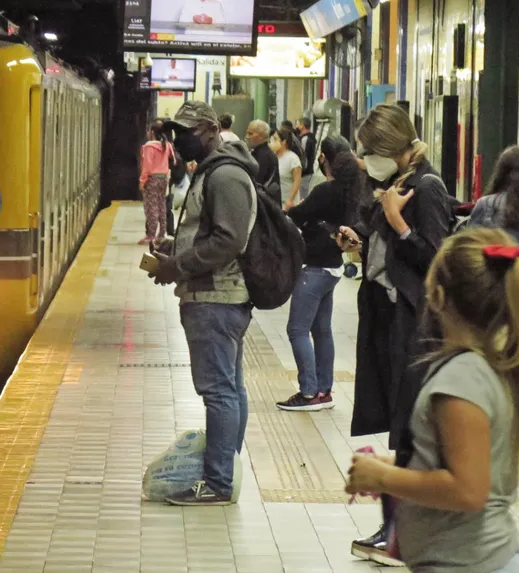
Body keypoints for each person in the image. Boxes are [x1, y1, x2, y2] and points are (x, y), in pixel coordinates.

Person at [346, 226, 519, 573]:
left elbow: (468, 490)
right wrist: (395, 468)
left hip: (471, 563)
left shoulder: (461, 380)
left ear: (436, 295)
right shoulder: (486, 367)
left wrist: (384, 478)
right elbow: (464, 465)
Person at [335, 104, 454, 566]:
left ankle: (401, 533)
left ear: (395, 148)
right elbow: (396, 257)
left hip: (417, 325)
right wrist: (362, 242)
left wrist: (400, 224)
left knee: (410, 427)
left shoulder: (427, 187)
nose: (365, 160)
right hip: (386, 317)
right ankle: (399, 530)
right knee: (397, 421)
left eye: (371, 150)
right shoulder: (395, 186)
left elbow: (438, 260)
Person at [148, 100, 258, 506]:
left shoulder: (226, 175)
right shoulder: (214, 170)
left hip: (216, 297)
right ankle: (227, 471)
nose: (180, 140)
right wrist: (176, 248)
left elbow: (229, 240)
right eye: (176, 131)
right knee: (229, 388)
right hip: (215, 296)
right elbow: (211, 232)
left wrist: (178, 266)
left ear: (212, 130)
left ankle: (218, 483)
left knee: (219, 393)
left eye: (189, 131)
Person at [277, 136, 366, 411]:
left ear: (324, 158)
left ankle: (308, 393)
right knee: (322, 330)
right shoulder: (353, 191)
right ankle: (323, 391)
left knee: (297, 329)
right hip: (333, 267)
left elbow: (296, 215)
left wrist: (294, 211)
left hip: (314, 268)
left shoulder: (326, 191)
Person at [467, 146, 519, 430]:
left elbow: (471, 242)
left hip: (495, 279)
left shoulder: (485, 205)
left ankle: (495, 414)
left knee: (495, 346)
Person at [138, 119, 174, 244]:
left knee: (151, 206)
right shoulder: (167, 145)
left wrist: (142, 181)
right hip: (164, 178)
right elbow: (173, 161)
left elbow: (147, 166)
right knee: (161, 205)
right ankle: (161, 234)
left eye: (148, 130)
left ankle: (151, 235)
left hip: (152, 179)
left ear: (152, 131)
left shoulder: (149, 146)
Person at [271, 126, 304, 210]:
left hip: (288, 204)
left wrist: (290, 200)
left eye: (275, 139)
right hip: (275, 202)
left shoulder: (292, 158)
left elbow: (297, 181)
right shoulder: (273, 157)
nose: (272, 142)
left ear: (284, 142)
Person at [245, 120, 280, 194]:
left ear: (261, 136)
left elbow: (256, 183)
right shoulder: (261, 153)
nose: (247, 137)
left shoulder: (263, 156)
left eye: (250, 134)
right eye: (247, 133)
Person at [296, 117, 317, 200]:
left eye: (298, 124)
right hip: (307, 171)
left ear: (303, 126)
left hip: (305, 172)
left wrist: (301, 170)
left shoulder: (305, 139)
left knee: (303, 195)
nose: (296, 127)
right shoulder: (309, 137)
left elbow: (303, 156)